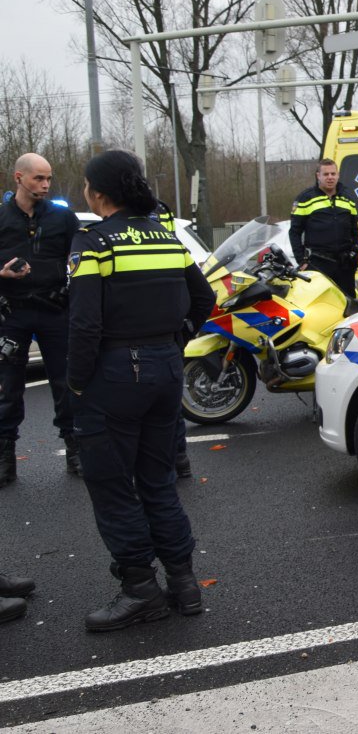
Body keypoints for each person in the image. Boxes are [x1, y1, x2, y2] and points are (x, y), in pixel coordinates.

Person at [68, 150, 215, 632]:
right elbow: (205, 296)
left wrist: (75, 382)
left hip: (114, 375)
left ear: (99, 194)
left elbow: (85, 325)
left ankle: (139, 590)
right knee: (157, 481)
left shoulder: (94, 244)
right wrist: (176, 341)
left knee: (113, 487)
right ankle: (184, 582)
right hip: (166, 371)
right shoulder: (165, 236)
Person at [0, 152, 82, 485]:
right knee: (8, 388)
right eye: (39, 178)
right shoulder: (2, 218)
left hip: (55, 311)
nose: (46, 185)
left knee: (66, 384)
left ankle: (75, 451)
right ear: (19, 177)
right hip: (12, 313)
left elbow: (82, 258)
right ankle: (5, 457)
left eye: (49, 178)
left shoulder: (63, 218)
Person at [152, 200, 194, 479]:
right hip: (168, 332)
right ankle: (178, 460)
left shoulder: (161, 211)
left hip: (133, 340)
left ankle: (172, 462)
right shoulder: (160, 211)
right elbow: (202, 296)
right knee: (168, 401)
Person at [289, 159, 358, 298]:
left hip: (344, 265)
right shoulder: (305, 198)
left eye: (333, 173)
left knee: (348, 304)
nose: (330, 177)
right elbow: (295, 232)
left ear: (338, 175)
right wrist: (301, 261)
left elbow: (354, 230)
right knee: (322, 303)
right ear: (318, 176)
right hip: (318, 263)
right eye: (326, 174)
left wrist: (355, 254)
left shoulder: (347, 197)